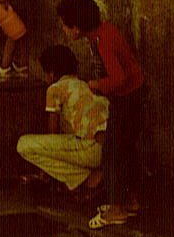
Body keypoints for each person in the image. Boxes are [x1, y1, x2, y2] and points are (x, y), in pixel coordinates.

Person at [57, 0, 144, 229]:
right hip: (128, 97)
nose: (64, 30)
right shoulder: (100, 33)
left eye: (66, 25)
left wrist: (96, 86)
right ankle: (127, 201)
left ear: (77, 26)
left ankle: (116, 209)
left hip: (127, 99)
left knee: (113, 154)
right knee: (122, 151)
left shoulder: (103, 40)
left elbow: (118, 78)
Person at [16, 45, 108, 195]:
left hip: (91, 150)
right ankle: (95, 173)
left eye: (45, 73)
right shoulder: (86, 85)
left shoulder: (55, 89)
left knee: (23, 145)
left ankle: (87, 178)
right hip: (108, 150)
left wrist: (45, 169)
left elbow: (52, 133)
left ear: (51, 74)